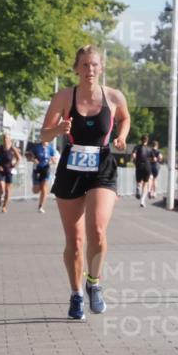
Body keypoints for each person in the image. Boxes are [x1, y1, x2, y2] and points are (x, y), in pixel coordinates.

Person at [41, 44, 130, 320]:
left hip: (102, 166)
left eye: (94, 65)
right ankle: (76, 293)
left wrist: (122, 136)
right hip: (71, 168)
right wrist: (57, 130)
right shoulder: (65, 96)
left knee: (98, 231)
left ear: (101, 68)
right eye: (84, 65)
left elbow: (125, 118)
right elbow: (44, 135)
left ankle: (94, 282)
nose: (90, 70)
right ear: (76, 68)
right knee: (76, 241)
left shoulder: (114, 96)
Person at [26, 139, 58, 213]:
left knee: (44, 188)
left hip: (46, 169)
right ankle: (38, 186)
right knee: (36, 190)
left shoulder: (50, 148)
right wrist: (33, 159)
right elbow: (28, 156)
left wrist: (53, 160)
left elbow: (55, 159)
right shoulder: (36, 147)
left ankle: (41, 206)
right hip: (37, 169)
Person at [0, 134, 21, 212]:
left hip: (9, 170)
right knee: (1, 188)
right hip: (1, 170)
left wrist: (14, 166)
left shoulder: (13, 149)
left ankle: (4, 206)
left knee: (8, 190)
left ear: (10, 139)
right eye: (4, 138)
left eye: (7, 138)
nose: (5, 140)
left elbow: (19, 158)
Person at [132, 134, 152, 207]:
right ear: (147, 140)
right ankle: (142, 201)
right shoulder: (149, 149)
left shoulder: (137, 147)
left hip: (139, 165)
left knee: (138, 181)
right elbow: (155, 158)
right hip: (147, 166)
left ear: (141, 140)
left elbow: (133, 155)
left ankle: (138, 188)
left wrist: (133, 159)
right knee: (145, 184)